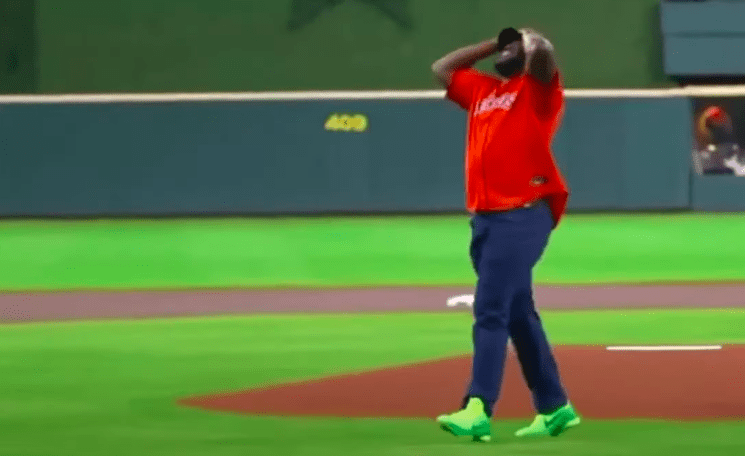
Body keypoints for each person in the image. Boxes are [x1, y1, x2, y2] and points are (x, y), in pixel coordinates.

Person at [431, 27, 580, 442]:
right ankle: (554, 407)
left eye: (515, 46)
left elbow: (546, 55)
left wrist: (535, 43)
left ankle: (477, 407)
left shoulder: (538, 92)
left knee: (490, 310)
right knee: (518, 313)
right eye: (505, 45)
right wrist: (492, 45)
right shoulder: (483, 90)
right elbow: (442, 69)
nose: (507, 50)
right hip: (485, 219)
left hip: (522, 215)